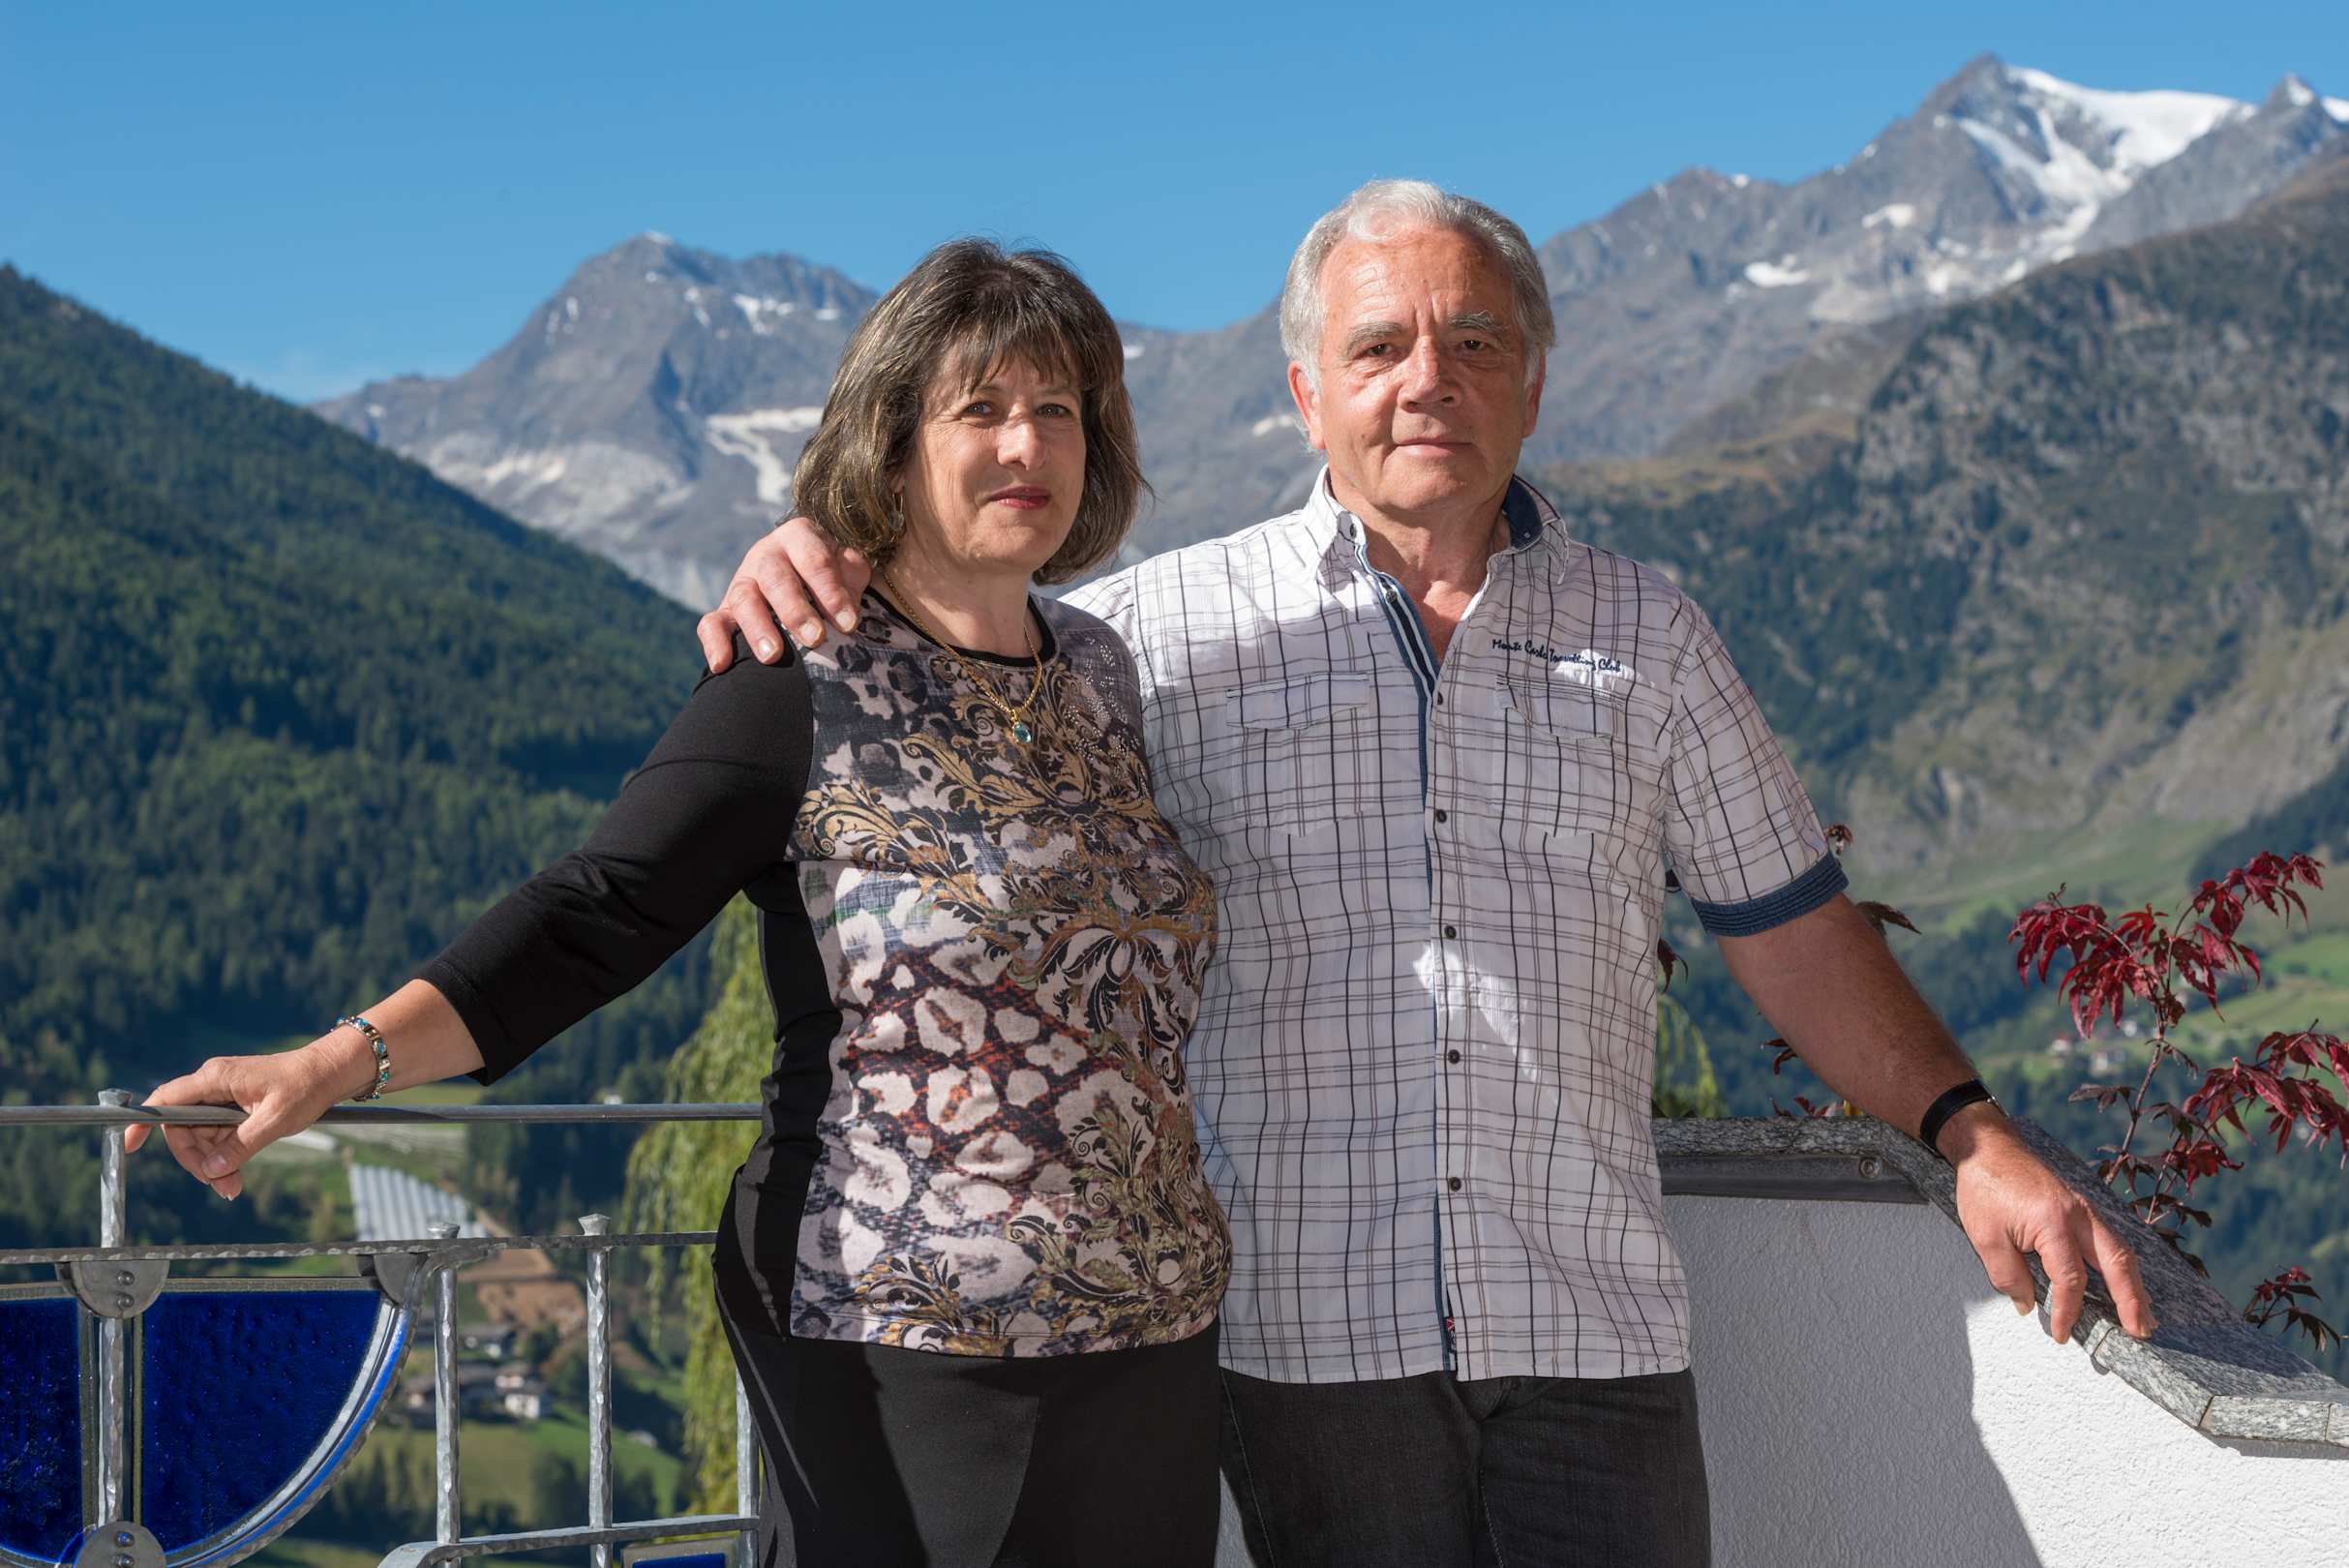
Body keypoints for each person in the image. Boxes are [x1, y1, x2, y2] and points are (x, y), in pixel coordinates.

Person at [696, 180, 2159, 1568]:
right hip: (1304, 1347)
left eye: (1475, 343)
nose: (1428, 381)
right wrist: (820, 552)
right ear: (1307, 393)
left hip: (1596, 1334)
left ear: (1533, 385)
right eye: (1380, 346)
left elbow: (1791, 926)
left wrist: (1972, 1132)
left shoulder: (1651, 637)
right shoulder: (1148, 639)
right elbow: (959, 636)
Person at [128, 239, 1233, 1567]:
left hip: (1153, 1330)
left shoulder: (1104, 672)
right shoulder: (797, 676)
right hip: (901, 1330)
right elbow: (597, 912)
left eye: (1058, 408)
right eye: (979, 409)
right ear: (891, 447)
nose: (1026, 445)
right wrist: (329, 1063)